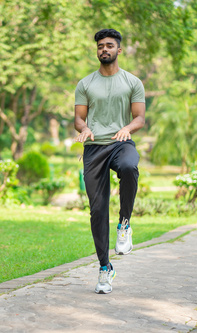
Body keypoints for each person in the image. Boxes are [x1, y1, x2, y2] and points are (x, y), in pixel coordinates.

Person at [74, 29, 145, 294]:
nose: (104, 49)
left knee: (129, 166)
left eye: (109, 45)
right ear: (97, 51)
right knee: (97, 210)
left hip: (120, 142)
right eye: (100, 46)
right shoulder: (85, 84)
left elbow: (139, 117)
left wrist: (128, 128)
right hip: (94, 148)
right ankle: (105, 267)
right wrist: (84, 129)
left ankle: (124, 223)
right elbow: (79, 118)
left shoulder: (132, 82)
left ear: (119, 50)